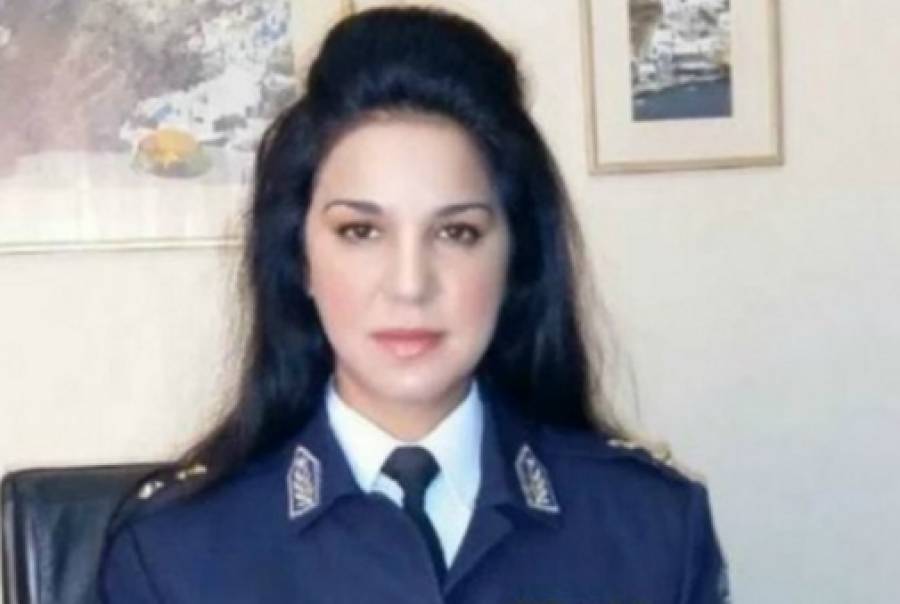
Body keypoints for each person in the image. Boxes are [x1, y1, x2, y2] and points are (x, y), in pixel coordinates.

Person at [100, 5, 730, 603]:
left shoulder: (651, 528)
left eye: (456, 232)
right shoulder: (175, 554)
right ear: (300, 259)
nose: (409, 285)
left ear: (516, 256)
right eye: (360, 231)